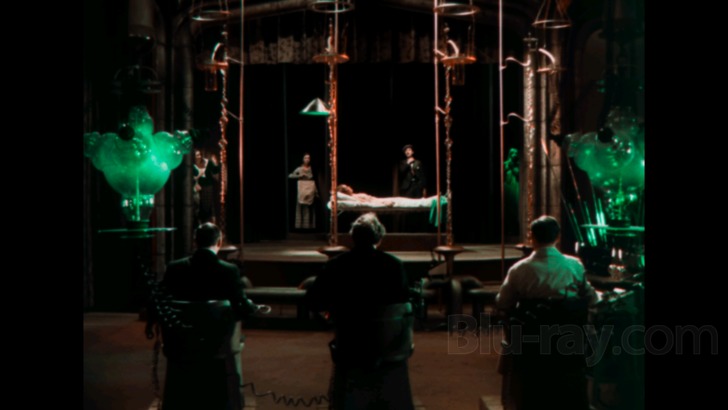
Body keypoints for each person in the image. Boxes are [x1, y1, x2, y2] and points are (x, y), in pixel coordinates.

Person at [305, 213, 415, 410]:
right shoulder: (393, 265)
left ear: (353, 237)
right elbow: (403, 302)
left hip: (350, 342)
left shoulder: (336, 265)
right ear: (378, 237)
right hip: (387, 343)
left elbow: (315, 300)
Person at [150, 223, 262, 410]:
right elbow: (241, 308)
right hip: (216, 344)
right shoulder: (229, 271)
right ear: (219, 242)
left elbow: (159, 301)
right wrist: (250, 308)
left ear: (195, 241)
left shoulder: (175, 269)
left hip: (182, 343)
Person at [496, 215, 599, 410]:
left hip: (531, 343)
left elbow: (503, 302)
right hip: (569, 341)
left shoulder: (519, 269)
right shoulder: (574, 265)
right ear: (558, 237)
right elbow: (592, 298)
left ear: (532, 237)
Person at [289, 153, 318, 229]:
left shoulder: (312, 168)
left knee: (308, 207)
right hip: (301, 188)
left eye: (308, 158)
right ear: (302, 159)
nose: (307, 160)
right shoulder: (299, 168)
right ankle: (299, 226)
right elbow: (290, 175)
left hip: (310, 188)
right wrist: (299, 176)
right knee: (300, 206)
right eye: (305, 158)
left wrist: (316, 191)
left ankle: (307, 226)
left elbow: (315, 179)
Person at [193, 149, 221, 225]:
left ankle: (207, 223)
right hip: (197, 189)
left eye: (200, 155)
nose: (199, 157)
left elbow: (215, 170)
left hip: (208, 187)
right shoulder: (192, 166)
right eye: (197, 155)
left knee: (207, 206)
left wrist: (218, 163)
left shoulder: (207, 162)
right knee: (198, 207)